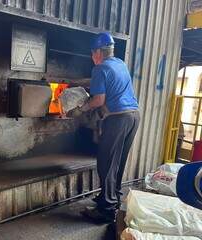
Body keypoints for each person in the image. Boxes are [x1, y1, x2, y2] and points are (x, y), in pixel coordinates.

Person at [68, 32, 140, 222]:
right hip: (133, 117)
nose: (93, 57)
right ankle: (111, 198)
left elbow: (99, 100)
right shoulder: (120, 63)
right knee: (118, 161)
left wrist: (81, 108)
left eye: (93, 53)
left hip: (118, 119)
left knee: (106, 163)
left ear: (98, 52)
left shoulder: (100, 69)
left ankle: (106, 211)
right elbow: (111, 87)